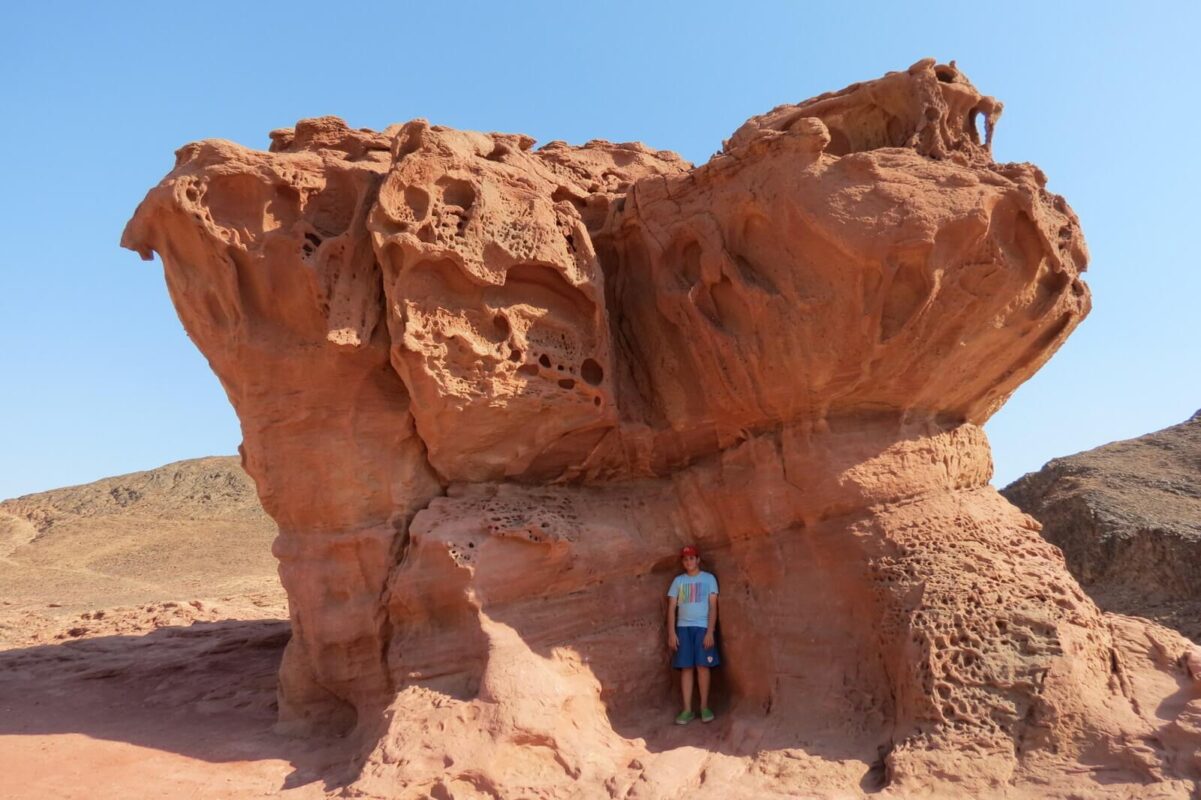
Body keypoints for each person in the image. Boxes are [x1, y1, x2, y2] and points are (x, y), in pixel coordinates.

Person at [666, 545, 719, 724]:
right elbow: (672, 607)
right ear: (683, 562)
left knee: (703, 666)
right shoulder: (678, 581)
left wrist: (710, 631)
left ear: (698, 560)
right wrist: (672, 633)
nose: (688, 562)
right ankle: (687, 709)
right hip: (683, 628)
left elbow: (713, 606)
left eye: (691, 558)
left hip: (702, 627)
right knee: (686, 667)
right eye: (685, 559)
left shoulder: (709, 579)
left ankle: (704, 707)